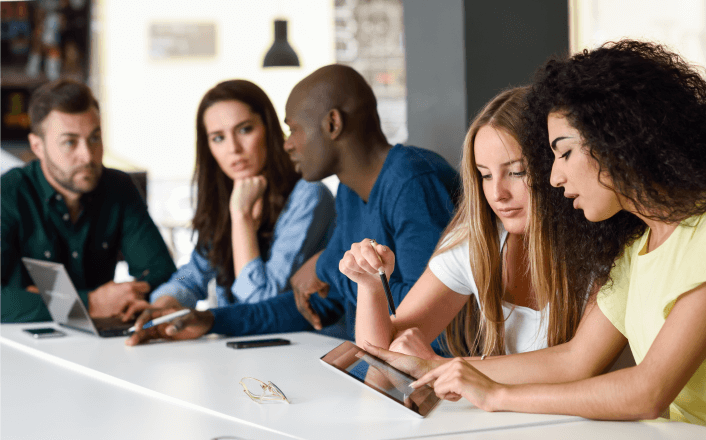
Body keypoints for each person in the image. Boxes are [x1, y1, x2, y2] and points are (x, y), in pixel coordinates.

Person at [364, 40, 706, 435]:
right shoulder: (638, 249)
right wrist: (440, 369)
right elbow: (573, 361)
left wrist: (496, 396)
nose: (554, 177)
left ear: (618, 141)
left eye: (563, 153)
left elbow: (647, 392)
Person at [125, 64, 460, 345]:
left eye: (294, 129)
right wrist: (210, 320)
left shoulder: (413, 181)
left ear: (332, 124)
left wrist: (326, 266)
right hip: (381, 366)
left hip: (433, 383)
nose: (287, 144)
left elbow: (430, 313)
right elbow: (321, 302)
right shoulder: (349, 191)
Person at [340, 87, 590, 361]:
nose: (498, 194)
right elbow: (382, 359)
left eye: (517, 172)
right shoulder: (478, 240)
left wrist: (444, 367)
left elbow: (574, 367)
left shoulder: (598, 249)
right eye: (485, 175)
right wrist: (371, 287)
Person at [142, 80, 335, 317]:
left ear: (268, 129)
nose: (233, 148)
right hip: (239, 345)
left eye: (244, 130)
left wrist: (241, 218)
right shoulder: (226, 198)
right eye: (218, 138)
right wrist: (163, 303)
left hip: (302, 346)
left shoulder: (308, 195)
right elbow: (191, 274)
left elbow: (259, 302)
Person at [1, 79, 176, 323]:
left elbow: (161, 273)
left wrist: (123, 297)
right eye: (70, 142)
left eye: (95, 138)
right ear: (37, 146)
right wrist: (91, 303)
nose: (87, 155)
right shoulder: (8, 193)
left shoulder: (119, 187)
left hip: (100, 341)